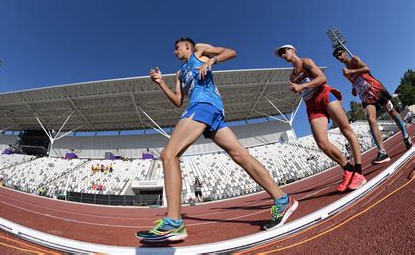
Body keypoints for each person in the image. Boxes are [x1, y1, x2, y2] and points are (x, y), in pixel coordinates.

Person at [136, 38, 297, 242]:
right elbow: (177, 101)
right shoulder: (179, 74)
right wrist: (160, 83)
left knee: (169, 154)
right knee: (240, 155)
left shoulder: (199, 51)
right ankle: (283, 199)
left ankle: (174, 222)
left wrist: (212, 61)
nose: (174, 51)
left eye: (176, 47)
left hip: (204, 105)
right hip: (207, 109)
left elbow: (231, 52)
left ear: (187, 46)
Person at [275, 44, 367, 192]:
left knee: (346, 130)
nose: (283, 55)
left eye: (284, 51)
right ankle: (348, 168)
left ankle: (359, 172)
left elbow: (322, 78)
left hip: (324, 95)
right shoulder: (292, 76)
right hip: (311, 105)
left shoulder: (306, 62)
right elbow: (302, 91)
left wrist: (302, 87)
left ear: (293, 51)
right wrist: (299, 89)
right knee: (322, 143)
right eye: (281, 55)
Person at [332, 47, 413, 164]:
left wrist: (352, 71)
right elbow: (354, 82)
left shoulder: (354, 60)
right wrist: (354, 90)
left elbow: (367, 68)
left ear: (345, 53)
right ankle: (382, 152)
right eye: (336, 57)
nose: (339, 58)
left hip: (376, 89)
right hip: (365, 96)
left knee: (392, 112)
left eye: (340, 54)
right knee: (370, 119)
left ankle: (406, 137)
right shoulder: (345, 73)